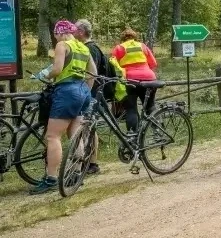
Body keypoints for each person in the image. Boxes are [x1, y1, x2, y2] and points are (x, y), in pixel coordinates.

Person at [29, 20, 97, 195]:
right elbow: (93, 73)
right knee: (75, 134)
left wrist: (44, 76)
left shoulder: (62, 45)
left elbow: (57, 69)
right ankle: (76, 174)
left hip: (66, 91)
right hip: (82, 90)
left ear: (60, 32)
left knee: (52, 136)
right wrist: (86, 92)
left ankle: (51, 178)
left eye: (55, 34)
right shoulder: (83, 47)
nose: (55, 37)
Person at [74, 19, 106, 175]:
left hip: (91, 93)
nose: (73, 33)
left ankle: (92, 163)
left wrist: (86, 93)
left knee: (89, 127)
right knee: (90, 126)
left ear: (81, 32)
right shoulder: (90, 48)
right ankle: (91, 162)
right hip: (91, 92)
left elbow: (91, 74)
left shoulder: (90, 49)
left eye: (75, 30)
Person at [112, 28, 158, 134]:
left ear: (123, 39)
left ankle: (133, 137)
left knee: (131, 109)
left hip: (130, 80)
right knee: (150, 107)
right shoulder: (142, 46)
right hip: (149, 78)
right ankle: (158, 133)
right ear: (135, 37)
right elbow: (153, 63)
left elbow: (113, 65)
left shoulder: (119, 48)